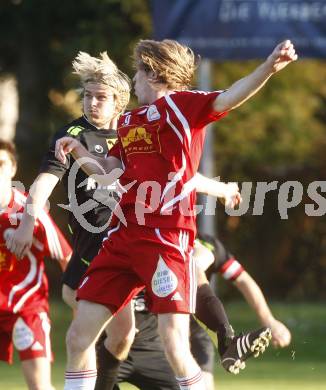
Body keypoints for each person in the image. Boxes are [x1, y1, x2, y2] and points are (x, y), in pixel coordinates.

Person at [54, 38, 297, 390]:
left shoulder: (184, 106)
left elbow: (231, 95)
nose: (133, 78)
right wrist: (78, 150)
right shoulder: (130, 119)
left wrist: (268, 67)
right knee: (78, 337)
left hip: (165, 238)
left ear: (153, 73)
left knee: (174, 345)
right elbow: (109, 169)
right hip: (123, 236)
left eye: (137, 71)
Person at [5, 51, 136, 389]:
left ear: (119, 101)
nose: (92, 103)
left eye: (101, 97)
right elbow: (43, 184)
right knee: (82, 334)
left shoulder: (134, 132)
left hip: (126, 244)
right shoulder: (72, 134)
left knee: (123, 337)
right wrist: (23, 224)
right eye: (88, 96)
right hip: (88, 247)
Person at [112, 234, 291, 390]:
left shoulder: (207, 244)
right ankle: (228, 343)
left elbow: (243, 279)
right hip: (156, 324)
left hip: (195, 323)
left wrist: (269, 320)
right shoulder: (134, 235)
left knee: (200, 380)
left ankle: (227, 340)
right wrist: (223, 191)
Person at [0, 140, 72, 390]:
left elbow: (65, 258)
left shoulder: (29, 212)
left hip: (26, 306)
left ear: (12, 168)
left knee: (39, 386)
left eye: (1, 164)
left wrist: (82, 307)